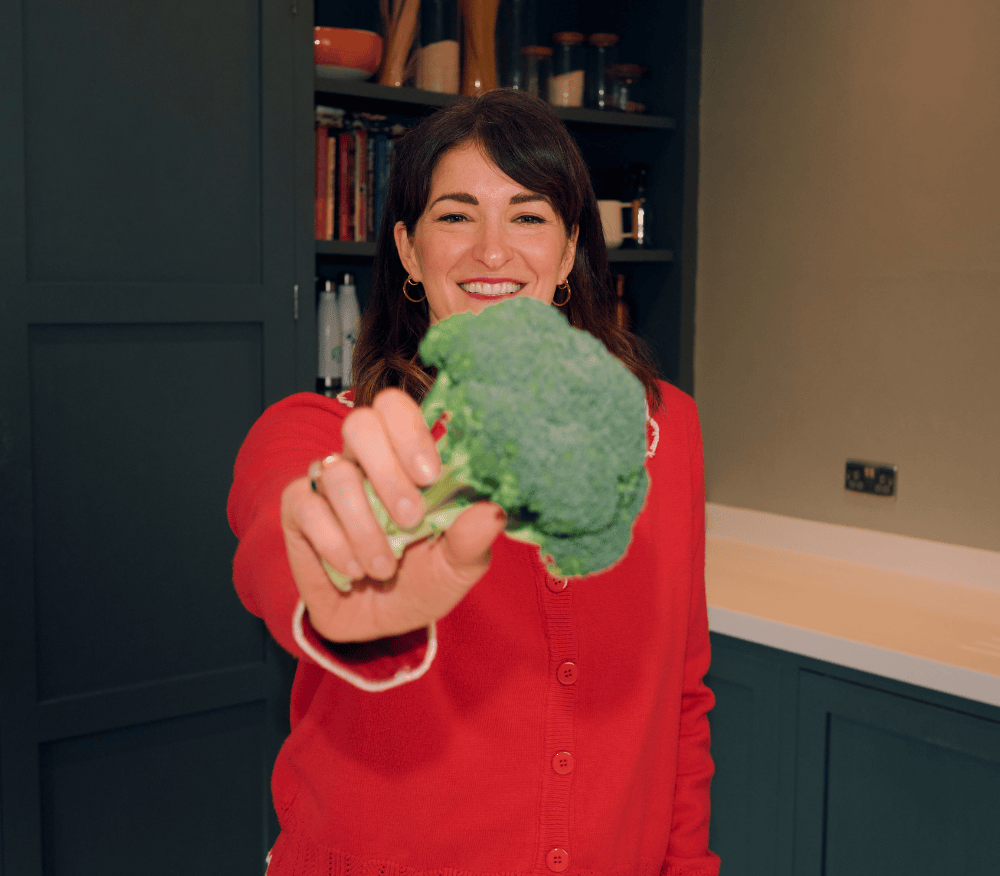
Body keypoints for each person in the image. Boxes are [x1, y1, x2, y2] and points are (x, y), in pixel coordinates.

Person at [228, 89, 719, 876]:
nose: (493, 252)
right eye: (456, 216)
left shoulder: (667, 432)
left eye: (528, 217)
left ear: (566, 255)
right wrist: (332, 574)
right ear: (410, 253)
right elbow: (283, 519)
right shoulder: (323, 430)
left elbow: (682, 698)